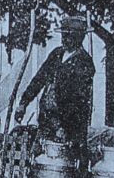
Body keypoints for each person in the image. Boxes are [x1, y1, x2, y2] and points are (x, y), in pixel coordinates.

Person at [17, 15, 95, 147]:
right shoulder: (56, 54)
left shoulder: (85, 63)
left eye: (69, 35)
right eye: (64, 35)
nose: (65, 39)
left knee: (62, 163)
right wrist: (23, 103)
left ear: (79, 37)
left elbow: (78, 101)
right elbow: (39, 79)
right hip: (46, 120)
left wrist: (62, 128)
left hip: (68, 128)